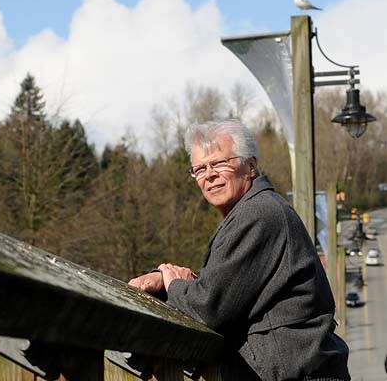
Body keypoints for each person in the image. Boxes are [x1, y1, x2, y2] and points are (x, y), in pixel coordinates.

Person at [129, 119, 350, 380]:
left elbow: (209, 308)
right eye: (199, 169)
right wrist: (168, 282)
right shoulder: (253, 212)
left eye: (219, 163)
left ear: (250, 166)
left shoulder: (259, 214)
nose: (209, 174)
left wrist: (174, 285)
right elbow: (234, 293)